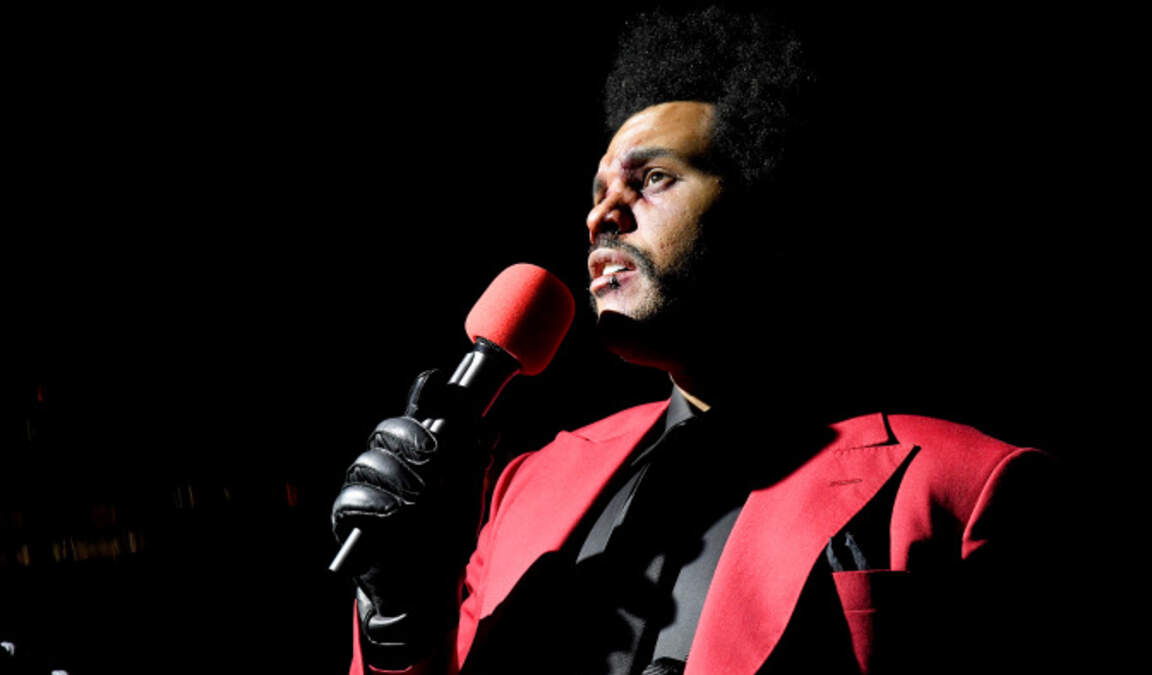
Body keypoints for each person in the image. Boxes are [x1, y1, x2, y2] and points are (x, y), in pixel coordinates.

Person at [332, 8, 1068, 674]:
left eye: (652, 178)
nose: (601, 216)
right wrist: (400, 616)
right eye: (597, 194)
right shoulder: (527, 485)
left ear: (769, 215)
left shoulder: (965, 487)